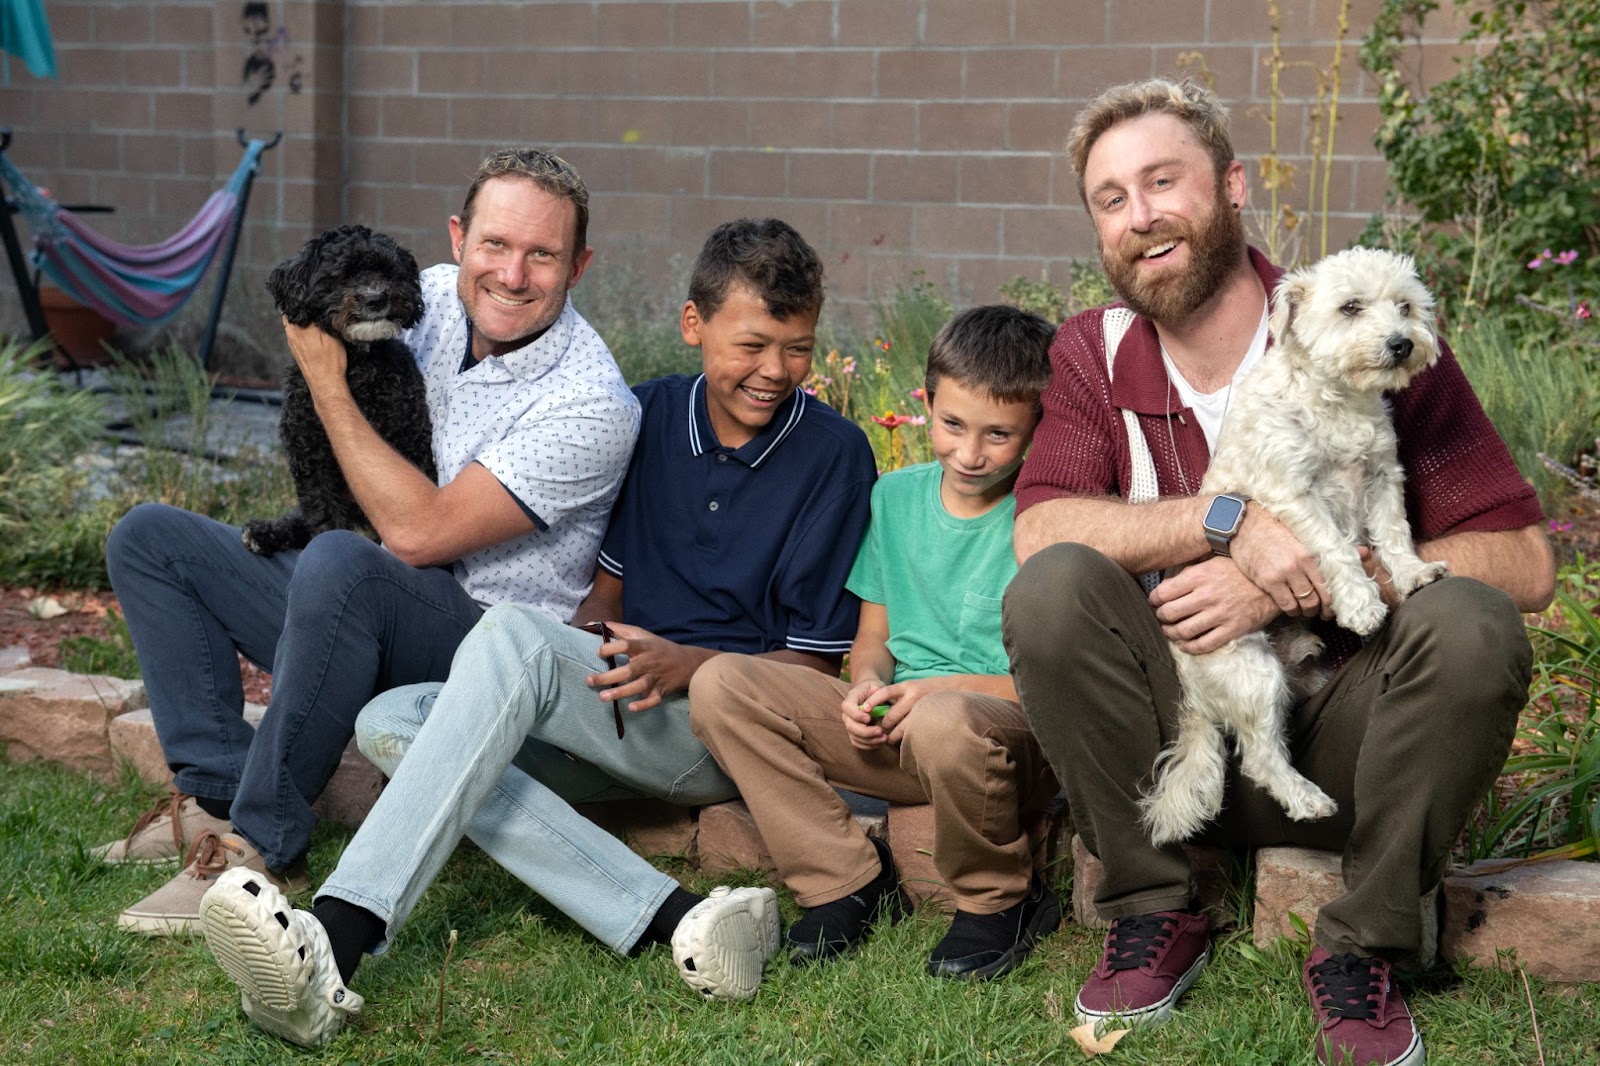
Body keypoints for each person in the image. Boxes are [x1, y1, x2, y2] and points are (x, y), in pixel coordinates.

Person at [193, 217, 879, 1046]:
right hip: (612, 699)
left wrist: (684, 661)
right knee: (392, 720)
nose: (775, 371)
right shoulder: (655, 413)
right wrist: (579, 651)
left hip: (718, 723)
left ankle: (336, 936)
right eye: (753, 344)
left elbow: (812, 663)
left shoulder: (836, 454)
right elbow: (610, 585)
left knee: (512, 635)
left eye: (798, 348)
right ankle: (679, 918)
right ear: (693, 326)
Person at [1002, 78, 1553, 1066]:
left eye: (1163, 180)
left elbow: (1522, 560)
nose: (1142, 216)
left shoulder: (1362, 321)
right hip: (1177, 734)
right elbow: (1040, 534)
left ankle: (1365, 941)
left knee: (1470, 619)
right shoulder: (1095, 350)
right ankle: (1150, 903)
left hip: (1351, 739)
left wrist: (1283, 581)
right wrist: (1224, 521)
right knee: (1050, 590)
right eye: (1112, 198)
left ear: (1232, 185)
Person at [99, 148, 640, 935]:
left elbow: (419, 536)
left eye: (542, 254)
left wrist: (325, 379)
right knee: (152, 539)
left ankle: (261, 843)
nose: (513, 275)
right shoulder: (421, 297)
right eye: (495, 244)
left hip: (481, 650)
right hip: (357, 604)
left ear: (578, 265)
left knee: (343, 559)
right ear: (458, 237)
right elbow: (305, 296)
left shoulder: (590, 403)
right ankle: (213, 797)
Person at [690, 304, 1063, 980]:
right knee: (722, 684)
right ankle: (845, 882)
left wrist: (936, 693)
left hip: (1004, 745)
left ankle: (999, 901)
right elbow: (873, 641)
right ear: (926, 403)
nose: (970, 453)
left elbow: (1055, 691)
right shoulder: (894, 499)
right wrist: (864, 686)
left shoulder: (1043, 520)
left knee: (947, 721)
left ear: (1036, 429)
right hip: (897, 732)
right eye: (952, 425)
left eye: (999, 434)